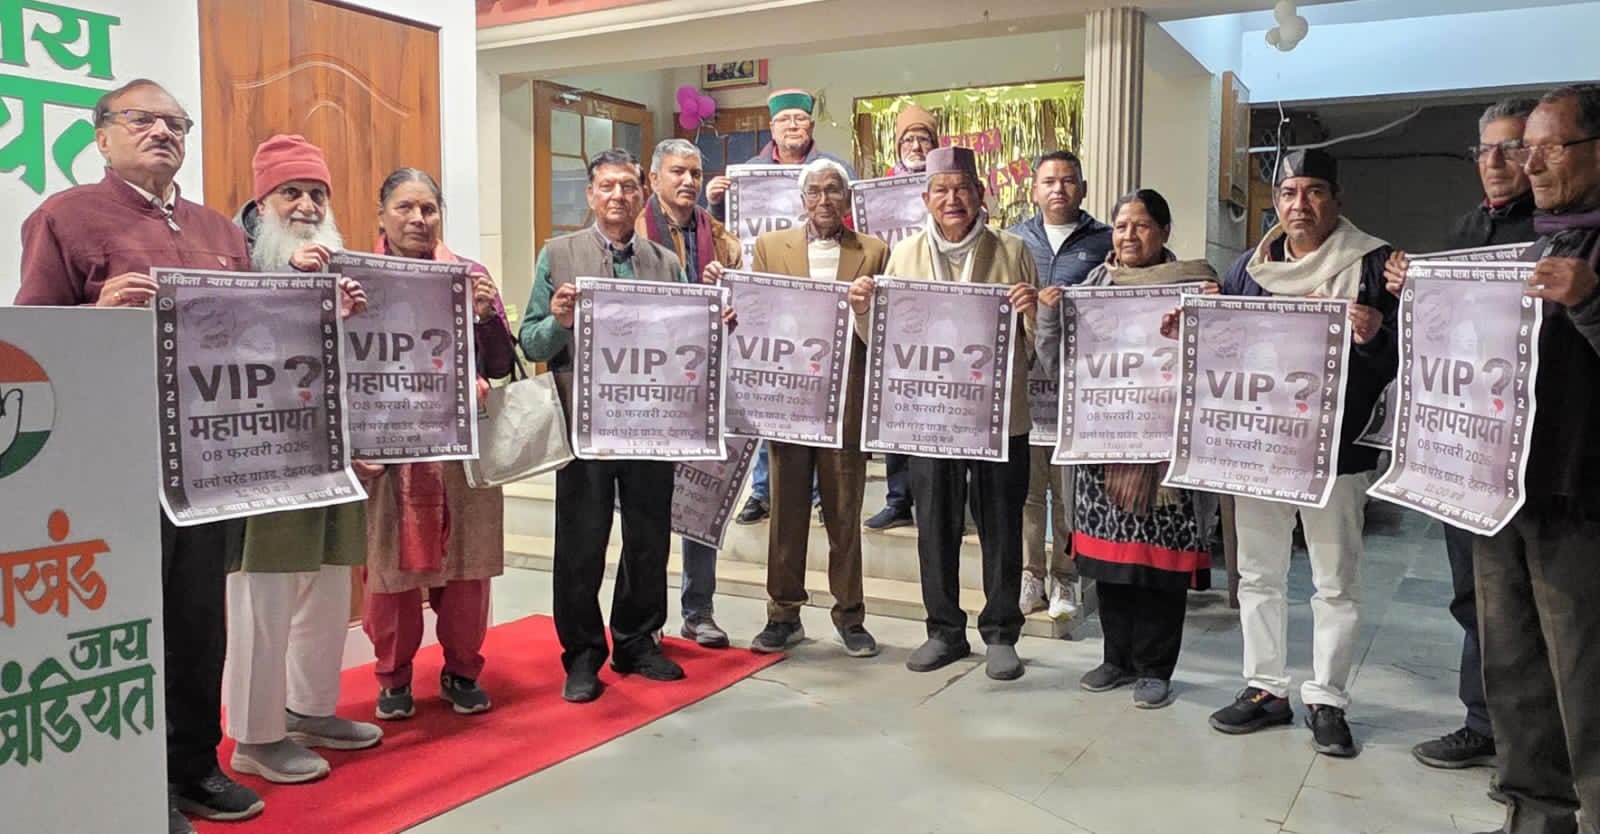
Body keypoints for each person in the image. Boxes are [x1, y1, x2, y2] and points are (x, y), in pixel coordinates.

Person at [14, 78, 265, 834]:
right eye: (142, 120)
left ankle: (195, 767)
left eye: (176, 123)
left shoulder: (220, 230)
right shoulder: (64, 217)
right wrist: (96, 313)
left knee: (200, 621)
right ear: (102, 136)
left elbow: (255, 334)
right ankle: (134, 784)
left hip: (208, 459)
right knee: (132, 622)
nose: (163, 132)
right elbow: (32, 342)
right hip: (114, 462)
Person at [1203, 148, 1396, 759]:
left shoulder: (1373, 264)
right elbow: (1225, 347)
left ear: (1336, 200)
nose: (1300, 204)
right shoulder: (1249, 269)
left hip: (1335, 449)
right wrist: (1193, 325)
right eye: (1288, 193)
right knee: (1259, 573)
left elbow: (1410, 357)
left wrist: (1376, 335)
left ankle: (1328, 697)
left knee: (1335, 579)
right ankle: (1265, 687)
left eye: (1313, 191)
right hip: (1260, 446)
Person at [1458, 84, 1600, 834]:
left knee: (1584, 675)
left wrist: (1592, 301)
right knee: (1513, 666)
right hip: (1500, 488)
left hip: (1579, 500)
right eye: (1524, 148)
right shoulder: (1531, 243)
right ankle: (1535, 815)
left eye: (1550, 147)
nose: (1530, 162)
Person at [1384, 98, 1538, 773]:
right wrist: (1409, 296)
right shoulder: (1463, 231)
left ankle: (1534, 745)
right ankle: (1483, 723)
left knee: (1530, 602)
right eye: (1485, 150)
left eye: (1512, 148)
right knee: (1473, 593)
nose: (1496, 162)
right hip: (1462, 446)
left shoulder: (1559, 232)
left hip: (1531, 451)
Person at [223, 135, 382, 784]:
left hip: (330, 452)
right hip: (260, 456)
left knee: (328, 584)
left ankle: (310, 710)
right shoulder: (233, 258)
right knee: (263, 595)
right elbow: (225, 342)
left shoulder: (337, 267)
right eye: (291, 192)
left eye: (318, 193)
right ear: (262, 203)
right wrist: (291, 284)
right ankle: (255, 737)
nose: (307, 205)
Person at [852, 145, 1039, 681]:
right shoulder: (904, 254)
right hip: (929, 416)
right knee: (935, 522)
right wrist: (863, 310)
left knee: (1001, 521)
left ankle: (1001, 632)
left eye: (961, 188)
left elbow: (1034, 343)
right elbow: (887, 341)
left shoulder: (1013, 250)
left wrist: (1032, 315)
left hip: (999, 415)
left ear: (980, 194)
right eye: (941, 190)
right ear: (925, 197)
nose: (952, 198)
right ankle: (944, 630)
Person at [521, 149, 699, 703]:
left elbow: (687, 339)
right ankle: (581, 654)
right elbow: (530, 342)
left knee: (648, 538)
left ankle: (637, 641)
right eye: (606, 186)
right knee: (582, 542)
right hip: (585, 426)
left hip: (651, 423)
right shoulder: (558, 254)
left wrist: (714, 325)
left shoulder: (665, 263)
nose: (618, 195)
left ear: (643, 194)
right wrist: (559, 320)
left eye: (627, 186)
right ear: (590, 195)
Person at [1036, 188, 1214, 708]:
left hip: (1164, 458)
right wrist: (1049, 316)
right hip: (1103, 451)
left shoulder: (1195, 286)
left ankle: (1155, 668)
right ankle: (1116, 658)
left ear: (1164, 232)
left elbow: (1219, 363)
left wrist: (1208, 316)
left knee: (1160, 567)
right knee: (1109, 563)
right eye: (1120, 226)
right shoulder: (1091, 290)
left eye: (1141, 225)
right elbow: (1059, 369)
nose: (1129, 235)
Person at [361, 168, 515, 721]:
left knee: (468, 566)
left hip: (461, 446)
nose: (418, 219)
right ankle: (393, 678)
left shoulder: (469, 276)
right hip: (390, 448)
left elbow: (501, 362)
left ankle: (462, 670)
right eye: (404, 207)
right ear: (382, 214)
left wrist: (484, 315)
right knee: (391, 570)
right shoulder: (359, 281)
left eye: (428, 209)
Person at [746, 158, 889, 657]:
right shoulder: (770, 247)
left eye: (833, 190)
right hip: (789, 399)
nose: (824, 199)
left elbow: (884, 331)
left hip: (846, 400)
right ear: (802, 199)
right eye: (815, 191)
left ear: (847, 199)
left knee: (844, 511)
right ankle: (782, 614)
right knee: (785, 511)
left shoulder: (874, 251)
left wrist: (865, 309)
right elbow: (757, 314)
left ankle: (850, 616)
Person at [706, 88, 856, 526]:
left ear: (811, 124)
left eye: (800, 118)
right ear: (771, 127)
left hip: (823, 297)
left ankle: (819, 493)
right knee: (766, 391)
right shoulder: (748, 174)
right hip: (765, 298)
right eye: (784, 119)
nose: (793, 126)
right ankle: (762, 490)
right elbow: (723, 234)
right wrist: (715, 201)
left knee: (820, 395)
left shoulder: (836, 169)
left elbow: (855, 224)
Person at [636, 137, 745, 649]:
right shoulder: (635, 233)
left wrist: (730, 294)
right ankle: (645, 615)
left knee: (702, 498)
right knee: (650, 505)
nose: (688, 181)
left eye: (695, 174)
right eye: (677, 172)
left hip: (705, 382)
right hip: (650, 385)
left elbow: (743, 301)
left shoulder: (720, 238)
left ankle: (699, 610)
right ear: (654, 178)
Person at [1007, 150, 1113, 619]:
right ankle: (1031, 574)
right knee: (1030, 493)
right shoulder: (1013, 240)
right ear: (1034, 190)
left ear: (1083, 189)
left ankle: (1066, 578)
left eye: (1068, 181)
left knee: (1068, 494)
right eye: (1048, 181)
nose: (1058, 189)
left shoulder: (1105, 241)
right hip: (1026, 385)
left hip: (1078, 385)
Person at [865, 104, 939, 532]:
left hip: (941, 315)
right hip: (894, 313)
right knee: (895, 406)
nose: (915, 146)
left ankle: (941, 504)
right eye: (908, 140)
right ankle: (898, 500)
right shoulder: (879, 194)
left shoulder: (948, 186)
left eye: (923, 139)